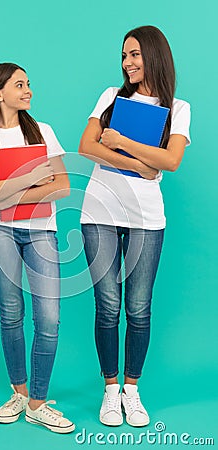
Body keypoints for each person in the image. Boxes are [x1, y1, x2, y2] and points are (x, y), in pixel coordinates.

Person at [79, 25, 191, 427]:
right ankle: (110, 391)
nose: (127, 63)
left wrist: (121, 142)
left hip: (146, 217)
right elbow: (86, 147)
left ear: (154, 56)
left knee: (138, 307)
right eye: (124, 55)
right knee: (107, 305)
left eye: (135, 55)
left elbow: (172, 161)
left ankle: (132, 390)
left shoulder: (178, 107)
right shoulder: (111, 97)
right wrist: (140, 164)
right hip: (98, 213)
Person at [0, 63, 75, 433]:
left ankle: (38, 403)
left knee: (49, 318)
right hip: (0, 231)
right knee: (10, 312)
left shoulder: (43, 132)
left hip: (41, 231)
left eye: (29, 84)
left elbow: (62, 187)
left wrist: (7, 189)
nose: (28, 90)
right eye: (20, 85)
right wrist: (29, 177)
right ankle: (20, 393)